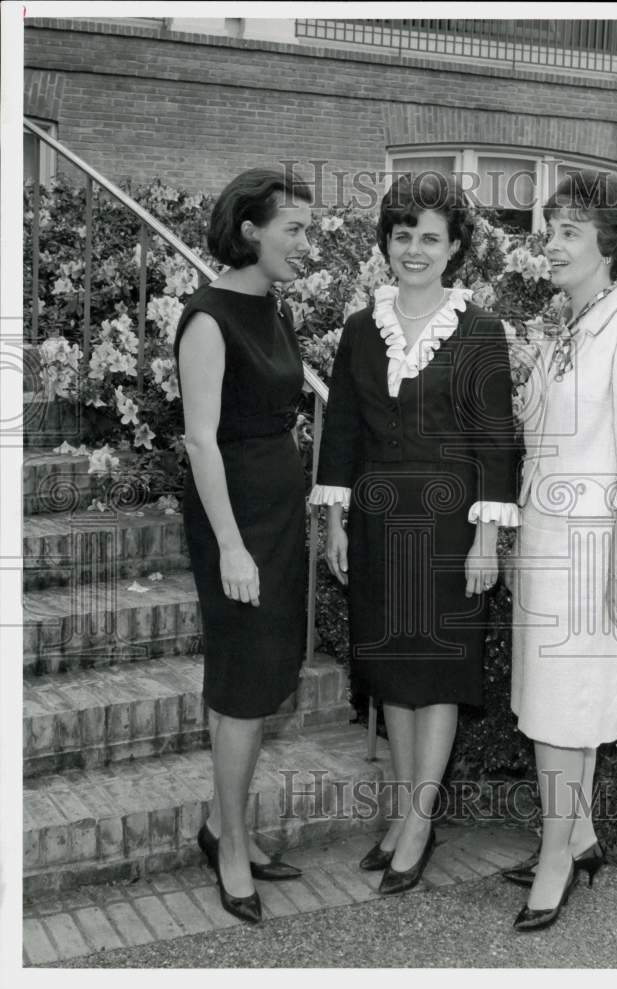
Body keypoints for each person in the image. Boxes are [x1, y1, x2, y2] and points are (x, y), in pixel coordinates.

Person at [309, 173, 519, 895]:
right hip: (376, 525)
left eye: (430, 236)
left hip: (450, 530)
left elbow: (497, 443)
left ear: (455, 246)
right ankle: (402, 812)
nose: (415, 249)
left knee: (438, 677)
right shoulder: (361, 329)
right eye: (403, 236)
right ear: (387, 244)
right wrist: (335, 522)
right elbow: (339, 430)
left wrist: (488, 539)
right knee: (392, 671)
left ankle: (421, 825)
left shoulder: (483, 332)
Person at [504, 170, 617, 931]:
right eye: (553, 228)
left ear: (610, 245)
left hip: (591, 551)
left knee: (563, 715)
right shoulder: (565, 325)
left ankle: (556, 857)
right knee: (552, 704)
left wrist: (616, 570)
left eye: (570, 231)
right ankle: (581, 835)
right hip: (545, 538)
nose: (554, 244)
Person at [174, 167, 313, 924]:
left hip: (279, 514)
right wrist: (230, 546)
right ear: (252, 229)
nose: (305, 242)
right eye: (293, 227)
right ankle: (228, 851)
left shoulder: (274, 309)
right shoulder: (207, 318)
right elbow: (201, 440)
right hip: (234, 520)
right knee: (240, 683)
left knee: (266, 680)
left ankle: (229, 825)